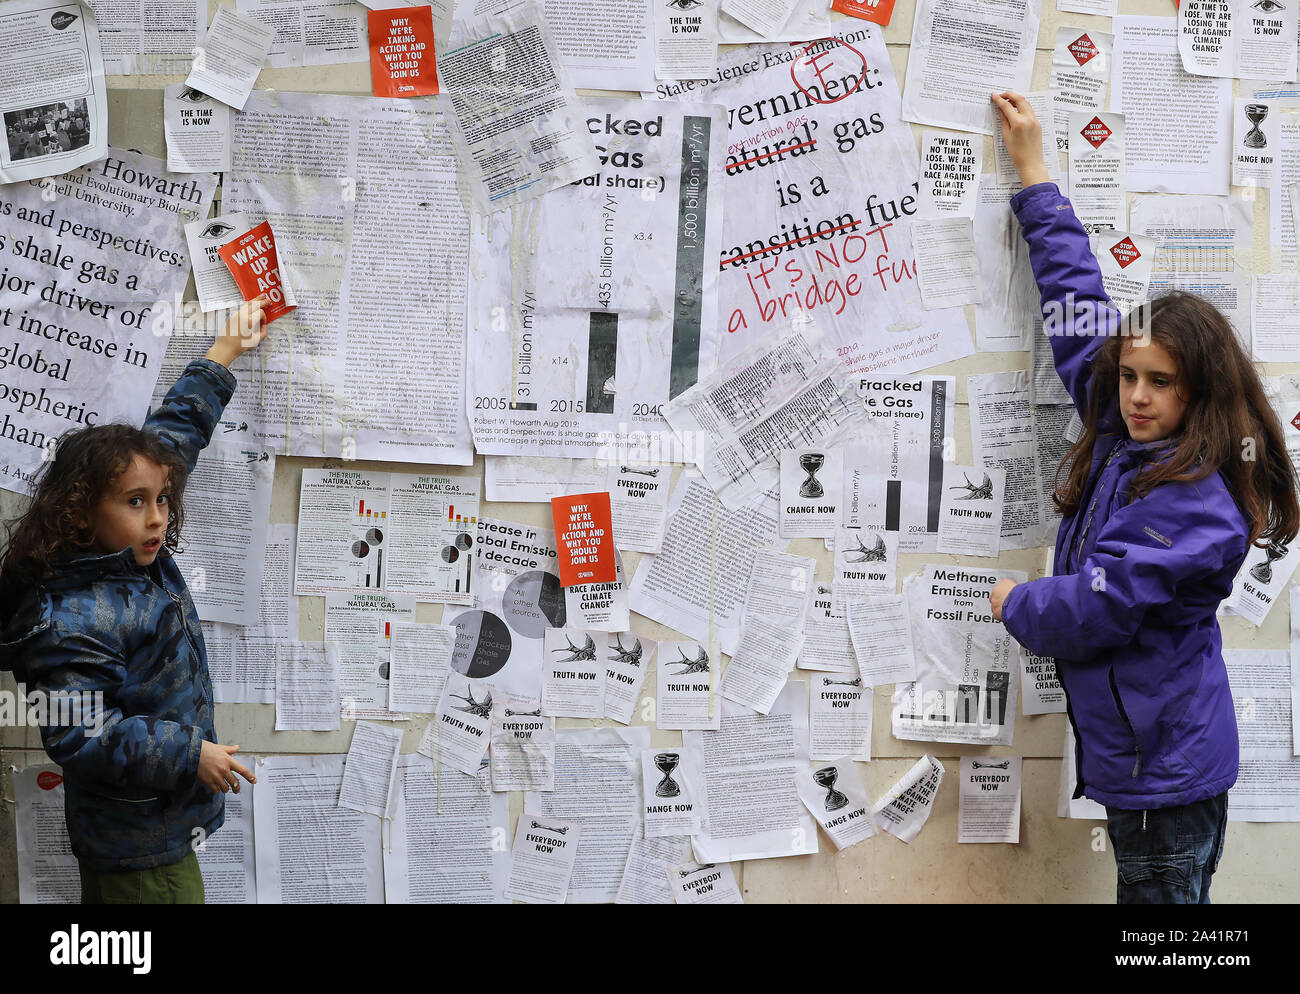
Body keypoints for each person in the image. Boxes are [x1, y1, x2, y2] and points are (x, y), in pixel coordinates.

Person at [987, 92, 1299, 904]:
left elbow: (1102, 604)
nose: (1135, 395)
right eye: (1129, 376)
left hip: (1166, 781)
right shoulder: (1135, 439)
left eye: (1160, 382)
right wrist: (1034, 176)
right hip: (1156, 765)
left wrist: (1017, 602)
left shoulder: (1194, 493)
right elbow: (1078, 312)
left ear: (1200, 392)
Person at [0, 295, 271, 903]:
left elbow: (172, 437)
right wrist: (187, 753)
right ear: (80, 513)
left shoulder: (131, 563)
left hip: (161, 829)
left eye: (162, 500)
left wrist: (223, 351)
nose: (156, 518)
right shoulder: (70, 617)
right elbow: (79, 731)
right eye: (134, 503)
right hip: (137, 849)